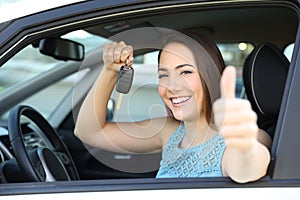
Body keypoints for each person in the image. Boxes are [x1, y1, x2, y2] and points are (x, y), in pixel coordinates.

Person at [74, 32, 271, 183]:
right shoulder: (169, 132)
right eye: (163, 75)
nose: (172, 87)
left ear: (210, 76)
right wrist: (109, 71)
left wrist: (245, 148)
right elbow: (88, 131)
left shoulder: (247, 137)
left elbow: (248, 168)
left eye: (185, 72)